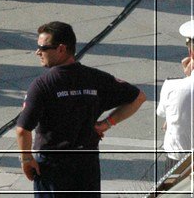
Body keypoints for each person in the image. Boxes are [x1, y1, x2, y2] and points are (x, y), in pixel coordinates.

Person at [15, 21, 145, 196]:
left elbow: (23, 130)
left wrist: (26, 159)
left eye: (43, 48)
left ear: (61, 49)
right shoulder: (96, 78)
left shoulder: (42, 85)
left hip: (54, 167)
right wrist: (107, 123)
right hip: (87, 165)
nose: (38, 52)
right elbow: (138, 97)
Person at [157, 22, 194, 171]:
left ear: (191, 53)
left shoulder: (172, 87)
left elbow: (165, 113)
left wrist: (186, 76)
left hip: (180, 164)